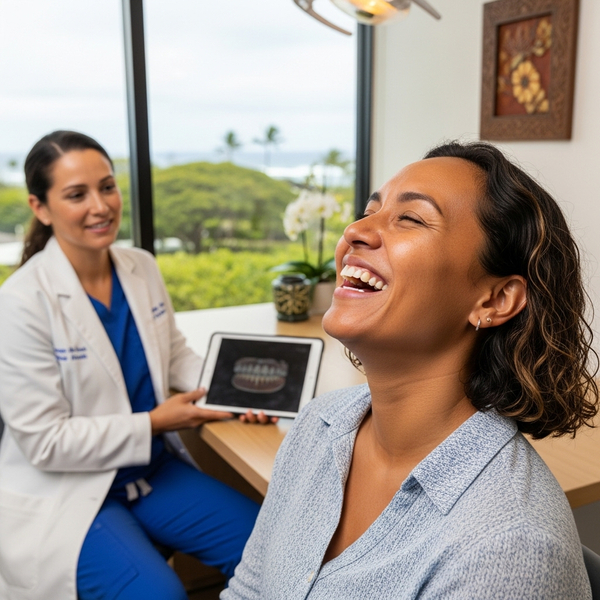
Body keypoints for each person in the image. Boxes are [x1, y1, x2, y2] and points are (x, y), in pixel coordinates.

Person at [222, 141, 599, 599]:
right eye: (369, 210)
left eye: (411, 218)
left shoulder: (506, 547)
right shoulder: (318, 425)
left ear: (495, 300)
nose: (356, 230)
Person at [0, 130, 272, 600]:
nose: (100, 205)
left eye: (107, 186)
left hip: (151, 470)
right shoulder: (21, 302)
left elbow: (175, 356)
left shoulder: (139, 266)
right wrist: (154, 422)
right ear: (40, 207)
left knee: (272, 551)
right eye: (76, 194)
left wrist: (229, 390)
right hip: (69, 489)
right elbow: (45, 443)